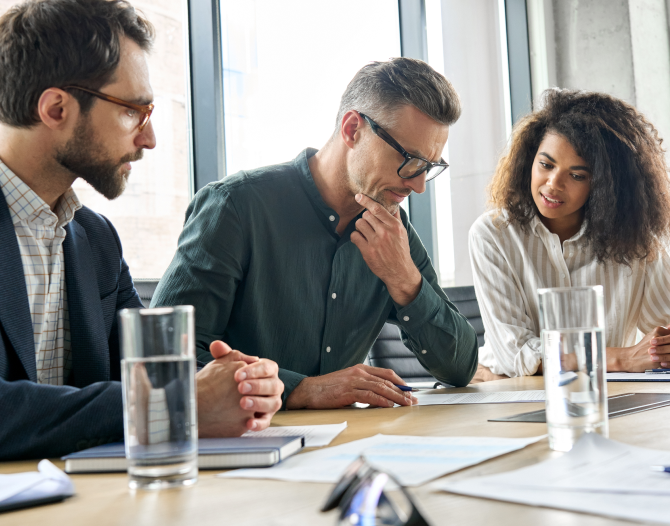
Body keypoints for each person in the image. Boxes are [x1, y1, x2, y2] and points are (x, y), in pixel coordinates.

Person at [0, 0, 282, 461]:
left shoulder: (95, 240)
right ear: (56, 108)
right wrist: (180, 403)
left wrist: (239, 386)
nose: (149, 139)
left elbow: (147, 374)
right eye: (134, 110)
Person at [152, 58, 479, 409]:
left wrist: (405, 280)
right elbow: (163, 355)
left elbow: (459, 369)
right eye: (410, 160)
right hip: (246, 447)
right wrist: (302, 389)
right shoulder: (235, 207)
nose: (418, 187)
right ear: (353, 129)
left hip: (348, 448)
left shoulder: (392, 229)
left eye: (428, 168)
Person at [469, 88, 670, 381]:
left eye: (577, 175)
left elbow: (663, 323)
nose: (553, 184)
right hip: (509, 389)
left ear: (604, 186)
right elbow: (518, 355)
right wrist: (621, 358)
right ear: (529, 159)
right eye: (546, 164)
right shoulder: (493, 234)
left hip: (609, 393)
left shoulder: (636, 240)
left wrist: (658, 349)